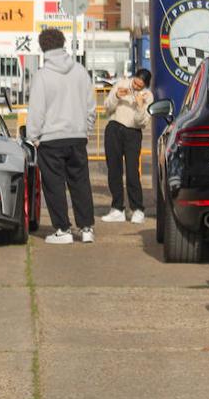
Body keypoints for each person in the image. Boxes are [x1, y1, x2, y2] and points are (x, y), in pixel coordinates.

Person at [27, 28, 96, 244]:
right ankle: (86, 228)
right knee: (80, 182)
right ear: (63, 43)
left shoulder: (42, 75)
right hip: (77, 136)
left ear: (43, 47)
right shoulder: (80, 71)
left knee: (54, 184)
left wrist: (33, 136)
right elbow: (91, 106)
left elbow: (37, 110)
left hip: (50, 139)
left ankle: (63, 229)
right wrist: (85, 128)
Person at [100, 68, 152, 224]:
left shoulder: (148, 96)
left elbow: (142, 122)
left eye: (140, 85)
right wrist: (116, 96)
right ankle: (117, 208)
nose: (136, 87)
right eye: (135, 82)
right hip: (114, 128)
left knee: (132, 171)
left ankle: (137, 209)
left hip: (133, 133)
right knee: (114, 170)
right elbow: (107, 107)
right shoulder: (121, 84)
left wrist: (140, 106)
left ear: (145, 85)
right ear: (133, 78)